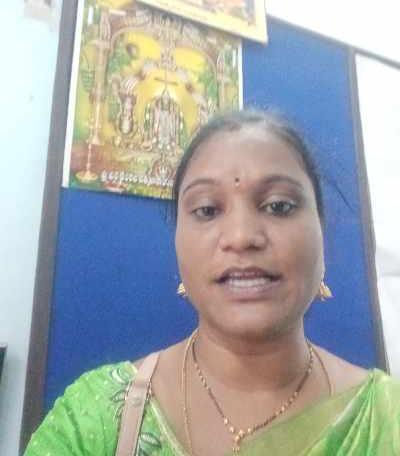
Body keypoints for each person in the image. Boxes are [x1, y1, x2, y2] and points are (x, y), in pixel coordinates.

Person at [25, 109, 400, 455]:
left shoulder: (387, 420)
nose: (241, 236)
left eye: (279, 206)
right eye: (207, 210)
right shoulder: (94, 421)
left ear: (321, 230)